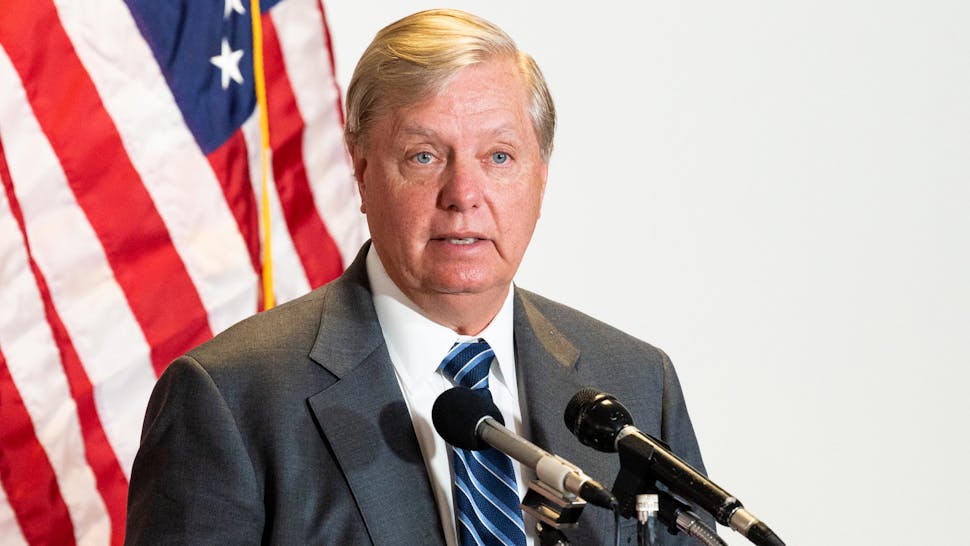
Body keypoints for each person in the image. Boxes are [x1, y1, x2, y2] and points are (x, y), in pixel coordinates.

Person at [125, 9, 706, 545]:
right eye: (424, 156)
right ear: (360, 169)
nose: (464, 196)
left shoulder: (634, 382)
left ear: (541, 177)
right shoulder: (231, 399)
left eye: (499, 157)